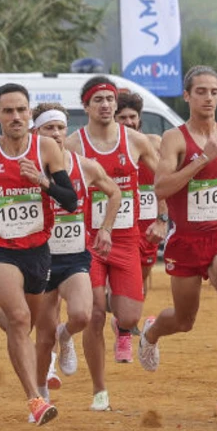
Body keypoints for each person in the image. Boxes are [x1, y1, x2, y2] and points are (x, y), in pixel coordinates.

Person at [138, 66, 217, 417]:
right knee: (185, 320)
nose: (208, 98)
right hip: (186, 240)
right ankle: (152, 332)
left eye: (214, 92)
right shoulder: (175, 139)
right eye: (200, 91)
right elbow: (162, 188)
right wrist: (203, 159)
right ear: (187, 96)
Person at [0, 83, 79, 425]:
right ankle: (36, 398)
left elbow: (71, 202)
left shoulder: (46, 148)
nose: (15, 116)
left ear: (29, 114)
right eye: (8, 110)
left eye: (21, 110)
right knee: (19, 320)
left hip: (37, 250)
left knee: (23, 323)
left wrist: (42, 182)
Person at [64, 76, 159, 411]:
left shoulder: (135, 142)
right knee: (94, 313)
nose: (105, 105)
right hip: (87, 242)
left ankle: (145, 331)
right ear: (86, 107)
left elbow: (163, 179)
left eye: (109, 99)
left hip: (125, 239)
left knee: (128, 316)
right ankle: (99, 390)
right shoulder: (73, 146)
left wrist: (162, 218)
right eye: (98, 100)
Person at [21, 102, 119, 400]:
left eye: (61, 127)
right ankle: (40, 394)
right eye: (49, 127)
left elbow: (114, 192)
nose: (56, 133)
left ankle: (67, 336)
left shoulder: (84, 166)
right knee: (43, 334)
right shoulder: (25, 167)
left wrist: (105, 228)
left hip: (75, 255)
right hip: (40, 257)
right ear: (35, 132)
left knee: (82, 315)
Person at [115, 91, 168, 294]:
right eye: (122, 118)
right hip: (117, 226)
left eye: (132, 117)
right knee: (116, 287)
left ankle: (127, 324)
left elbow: (165, 184)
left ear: (139, 118)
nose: (129, 122)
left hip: (147, 227)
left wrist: (162, 220)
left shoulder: (154, 144)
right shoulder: (104, 149)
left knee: (139, 286)